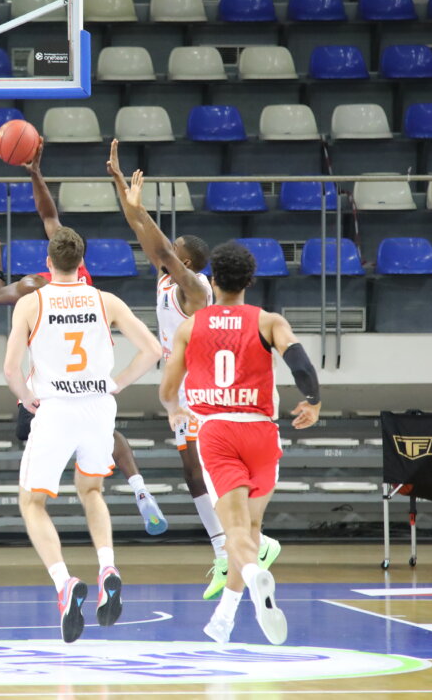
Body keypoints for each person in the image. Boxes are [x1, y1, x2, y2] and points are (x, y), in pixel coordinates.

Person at [106, 143, 281, 597]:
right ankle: (225, 550)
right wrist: (127, 201)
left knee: (207, 470)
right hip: (180, 386)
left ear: (187, 262)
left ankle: (244, 548)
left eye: (176, 251)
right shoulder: (167, 277)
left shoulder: (195, 289)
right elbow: (152, 241)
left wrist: (142, 212)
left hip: (201, 387)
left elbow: (161, 245)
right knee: (190, 472)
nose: (167, 250)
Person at [0, 139, 169, 537]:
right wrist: (36, 174)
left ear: (48, 260)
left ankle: (45, 500)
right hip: (92, 389)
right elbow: (49, 213)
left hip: (50, 394)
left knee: (32, 441)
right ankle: (138, 488)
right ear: (79, 259)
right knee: (106, 436)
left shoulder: (32, 288)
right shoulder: (94, 289)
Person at [4, 226, 162, 643]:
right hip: (97, 407)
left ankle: (63, 584)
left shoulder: (31, 303)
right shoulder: (104, 300)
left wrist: (26, 398)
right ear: (82, 263)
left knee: (32, 502)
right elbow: (153, 350)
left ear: (48, 263)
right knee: (91, 491)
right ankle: (107, 565)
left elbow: (10, 369)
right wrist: (117, 383)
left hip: (56, 407)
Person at [160, 241, 320, 646]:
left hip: (217, 432)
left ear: (212, 282)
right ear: (250, 281)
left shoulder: (191, 326)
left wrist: (173, 410)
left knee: (234, 533)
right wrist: (314, 401)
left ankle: (252, 576)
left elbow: (168, 389)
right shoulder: (269, 321)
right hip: (263, 432)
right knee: (249, 529)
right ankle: (224, 619)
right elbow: (300, 364)